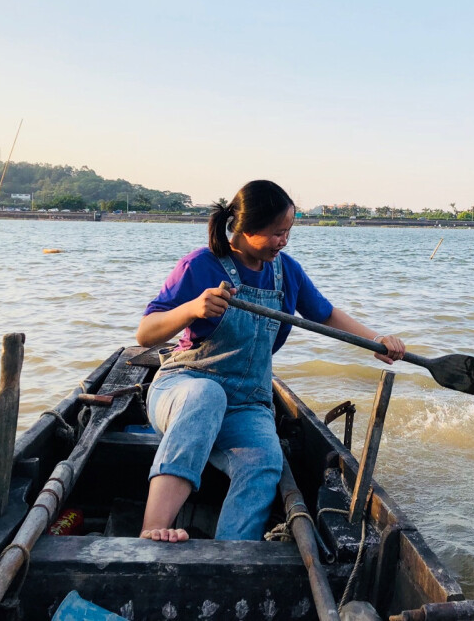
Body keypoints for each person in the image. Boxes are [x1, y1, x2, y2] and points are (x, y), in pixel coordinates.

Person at [135, 180, 405, 542]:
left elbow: (325, 315)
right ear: (246, 229)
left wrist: (374, 340)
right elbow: (146, 333)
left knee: (264, 460)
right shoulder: (200, 265)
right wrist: (191, 308)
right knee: (206, 396)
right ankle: (152, 529)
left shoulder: (285, 271)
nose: (284, 241)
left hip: (248, 402)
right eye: (278, 233)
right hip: (184, 389)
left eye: (289, 232)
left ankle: (232, 556)